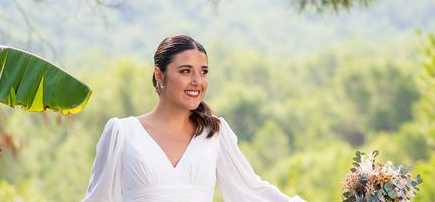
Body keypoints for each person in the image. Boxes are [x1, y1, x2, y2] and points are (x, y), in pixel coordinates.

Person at [81, 34, 308, 202]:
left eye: (204, 72)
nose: (197, 81)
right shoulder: (122, 133)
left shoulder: (215, 132)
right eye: (186, 71)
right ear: (159, 75)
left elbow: (251, 191)